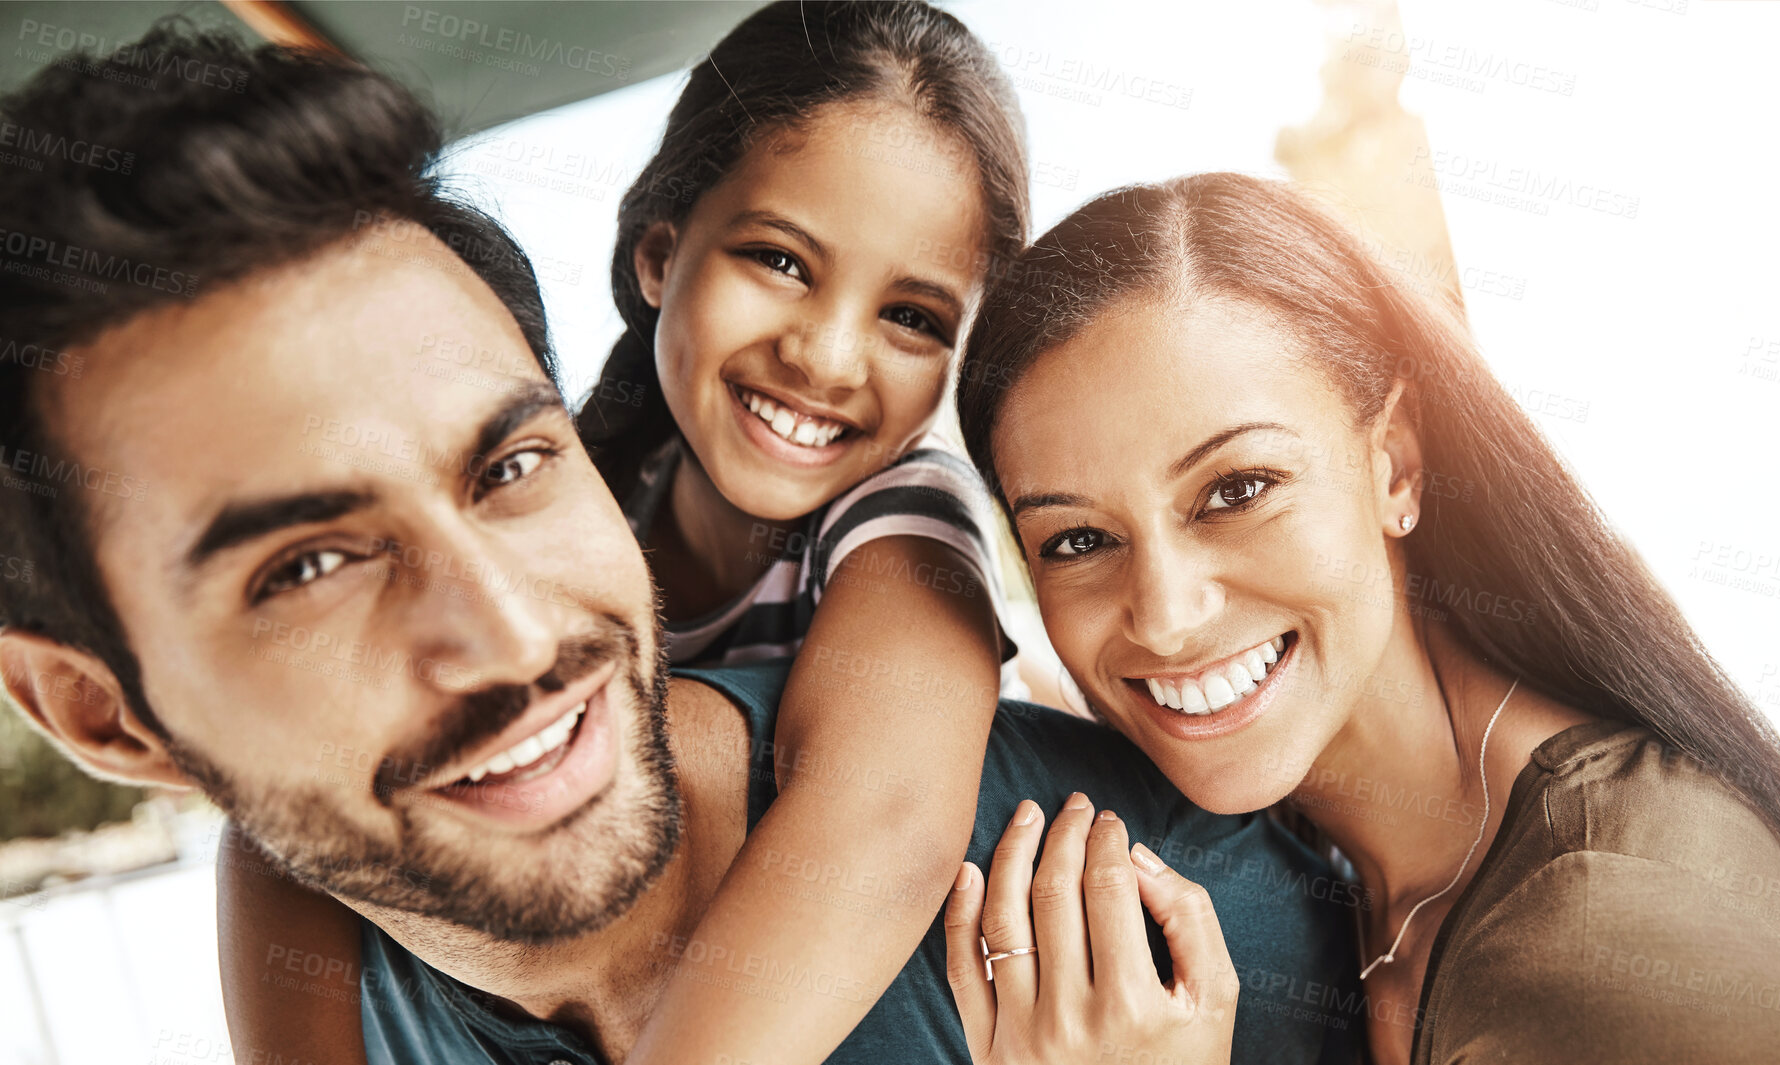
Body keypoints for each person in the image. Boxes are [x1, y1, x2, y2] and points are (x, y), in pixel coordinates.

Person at [0, 35, 1360, 1065]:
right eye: (306, 566)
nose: (515, 635)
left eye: (510, 467)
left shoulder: (1163, 931)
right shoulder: (331, 931)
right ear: (110, 721)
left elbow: (883, 822)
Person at [213, 4, 1059, 1064]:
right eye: (782, 261)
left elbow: (885, 826)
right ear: (661, 255)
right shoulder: (581, 500)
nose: (829, 357)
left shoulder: (906, 519)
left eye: (914, 318)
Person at [945, 172, 1780, 1063]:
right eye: (1076, 540)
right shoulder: (1334, 879)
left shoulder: (1618, 946)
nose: (1165, 615)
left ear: (1393, 464)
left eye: (1237, 489)